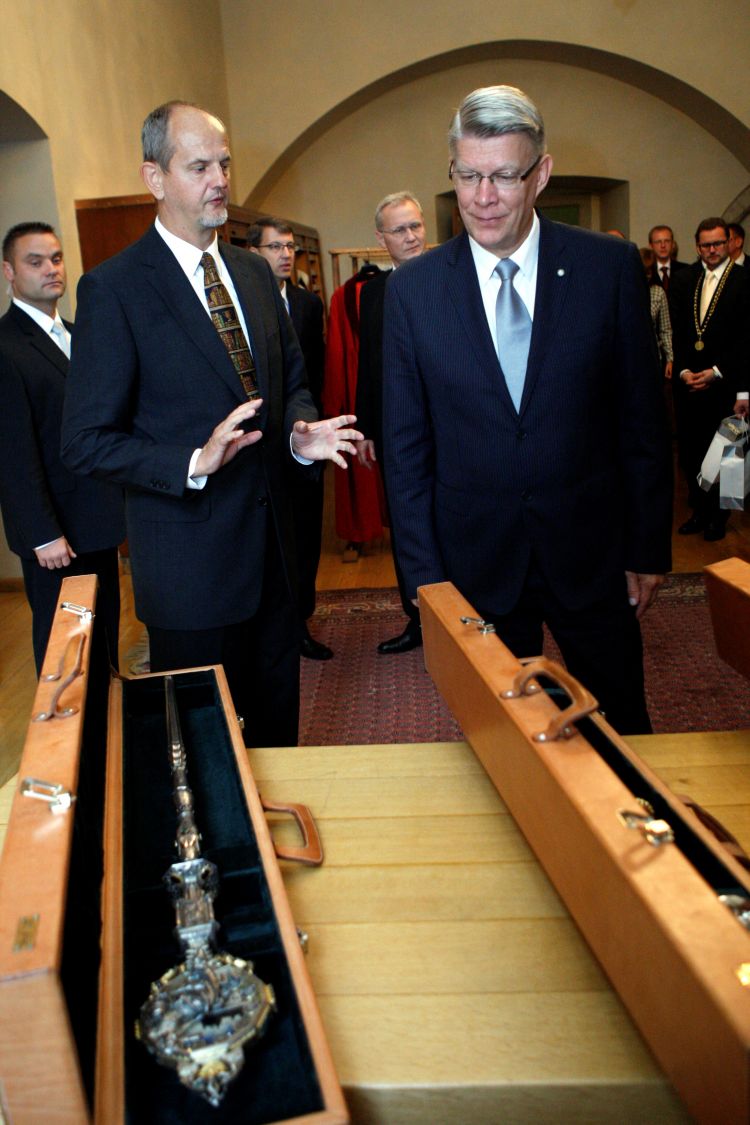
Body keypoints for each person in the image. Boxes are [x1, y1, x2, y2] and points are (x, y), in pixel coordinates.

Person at [61, 102, 360, 747]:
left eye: (224, 164)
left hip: (275, 560)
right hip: (190, 575)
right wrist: (190, 462)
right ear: (155, 178)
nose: (220, 180)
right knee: (206, 755)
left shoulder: (254, 273)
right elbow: (84, 442)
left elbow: (292, 385)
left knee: (277, 739)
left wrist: (299, 434)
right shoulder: (115, 289)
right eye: (199, 167)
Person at [382, 84, 672, 735]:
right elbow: (405, 450)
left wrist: (647, 547)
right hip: (474, 561)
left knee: (621, 725)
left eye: (504, 176)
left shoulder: (607, 268)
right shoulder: (414, 291)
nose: (483, 197)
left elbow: (642, 423)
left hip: (593, 551)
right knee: (499, 737)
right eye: (468, 175)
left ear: (540, 174)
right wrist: (425, 581)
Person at [0, 222, 123, 674]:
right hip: (55, 536)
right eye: (35, 262)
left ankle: (108, 716)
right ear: (9, 272)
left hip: (97, 521)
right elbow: (11, 453)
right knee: (67, 656)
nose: (51, 269)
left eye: (55, 258)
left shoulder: (78, 334)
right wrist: (42, 534)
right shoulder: (5, 346)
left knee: (102, 643)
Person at [248, 217, 332, 660]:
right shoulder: (244, 302)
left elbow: (312, 375)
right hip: (258, 445)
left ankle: (301, 621)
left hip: (304, 438)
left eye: (289, 247)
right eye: (275, 247)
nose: (285, 255)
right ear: (253, 253)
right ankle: (275, 626)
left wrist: (311, 427)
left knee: (306, 536)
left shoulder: (307, 304)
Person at [356, 191, 427, 655]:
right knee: (407, 525)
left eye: (416, 225)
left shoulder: (456, 277)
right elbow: (370, 362)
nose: (412, 236)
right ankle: (418, 619)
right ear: (381, 239)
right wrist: (366, 427)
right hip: (398, 432)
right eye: (400, 230)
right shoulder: (374, 292)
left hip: (455, 430)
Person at [670, 217, 750, 538]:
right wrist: (683, 371)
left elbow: (747, 339)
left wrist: (726, 379)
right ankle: (700, 512)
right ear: (697, 246)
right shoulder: (684, 278)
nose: (712, 249)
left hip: (727, 382)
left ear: (729, 242)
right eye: (706, 245)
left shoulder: (745, 279)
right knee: (692, 453)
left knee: (727, 454)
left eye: (718, 243)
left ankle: (720, 517)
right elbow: (678, 332)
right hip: (690, 383)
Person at [639, 246, 673, 378]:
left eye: (649, 271)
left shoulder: (658, 292)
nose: (647, 275)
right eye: (644, 271)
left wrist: (670, 359)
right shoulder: (625, 291)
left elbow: (665, 329)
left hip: (652, 357)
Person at [648, 225, 689, 295]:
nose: (663, 245)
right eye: (658, 242)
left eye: (667, 241)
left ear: (672, 244)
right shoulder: (645, 272)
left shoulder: (686, 271)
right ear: (651, 246)